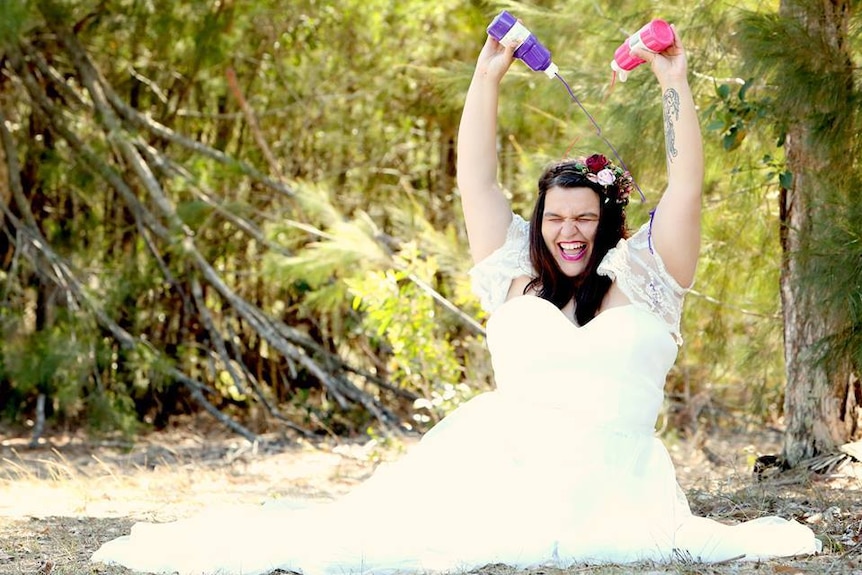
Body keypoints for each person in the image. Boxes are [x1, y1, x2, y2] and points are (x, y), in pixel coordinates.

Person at [91, 20, 820, 575]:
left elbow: (685, 182)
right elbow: (476, 181)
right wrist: (488, 75)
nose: (568, 233)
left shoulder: (650, 276)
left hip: (623, 487)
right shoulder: (511, 272)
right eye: (554, 218)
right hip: (492, 470)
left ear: (607, 224)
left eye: (583, 219)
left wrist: (673, 79)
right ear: (540, 222)